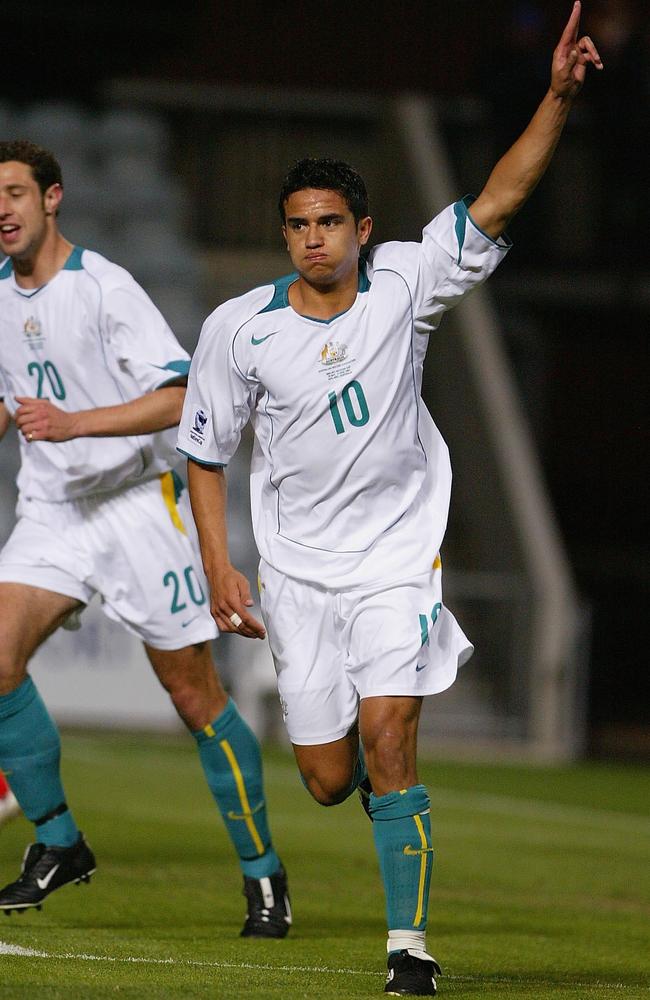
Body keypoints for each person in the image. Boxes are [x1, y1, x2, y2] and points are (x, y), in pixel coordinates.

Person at [177, 4, 601, 993]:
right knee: (329, 778)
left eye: (329, 221)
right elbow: (204, 452)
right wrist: (217, 562)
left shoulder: (407, 281)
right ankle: (384, 795)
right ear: (282, 234)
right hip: (293, 575)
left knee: (387, 735)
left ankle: (407, 948)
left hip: (394, 562)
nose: (313, 237)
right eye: (298, 224)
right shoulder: (237, 331)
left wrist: (555, 97)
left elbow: (498, 197)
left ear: (361, 229)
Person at [0, 139, 291, 938]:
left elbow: (176, 394)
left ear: (51, 199)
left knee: (194, 697)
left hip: (135, 507)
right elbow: (13, 400)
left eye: (16, 193)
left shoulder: (104, 289)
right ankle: (60, 842)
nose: (3, 209)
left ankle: (264, 875)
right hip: (55, 507)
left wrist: (74, 423)